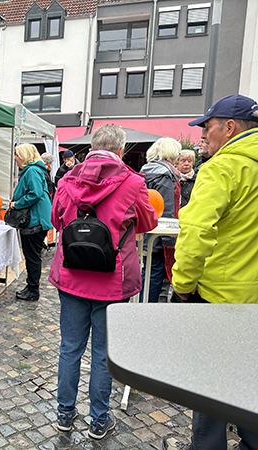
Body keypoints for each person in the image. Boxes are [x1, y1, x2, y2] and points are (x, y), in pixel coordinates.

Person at [49, 124, 158, 440]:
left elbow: (57, 221)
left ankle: (65, 415)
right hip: (113, 280)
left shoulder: (67, 180)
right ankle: (98, 421)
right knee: (102, 353)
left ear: (90, 147)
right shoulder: (133, 182)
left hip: (71, 276)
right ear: (121, 151)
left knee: (70, 348)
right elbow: (148, 222)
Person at [163, 95, 258, 450]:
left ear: (229, 127)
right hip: (253, 295)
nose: (203, 134)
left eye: (207, 126)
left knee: (209, 388)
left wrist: (183, 286)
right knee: (247, 381)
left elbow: (197, 232)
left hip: (220, 295)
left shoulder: (223, 167)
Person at [139, 137, 181, 303]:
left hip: (148, 230)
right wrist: (170, 240)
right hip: (159, 234)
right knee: (155, 274)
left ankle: (144, 307)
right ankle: (147, 311)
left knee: (148, 272)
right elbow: (166, 211)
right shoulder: (164, 174)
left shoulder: (147, 170)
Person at [10, 144, 52, 302]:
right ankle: (31, 286)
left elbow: (35, 194)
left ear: (26, 156)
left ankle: (33, 290)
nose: (15, 158)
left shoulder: (32, 171)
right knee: (32, 256)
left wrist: (16, 204)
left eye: (17, 155)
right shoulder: (34, 169)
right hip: (36, 219)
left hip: (35, 220)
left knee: (33, 257)